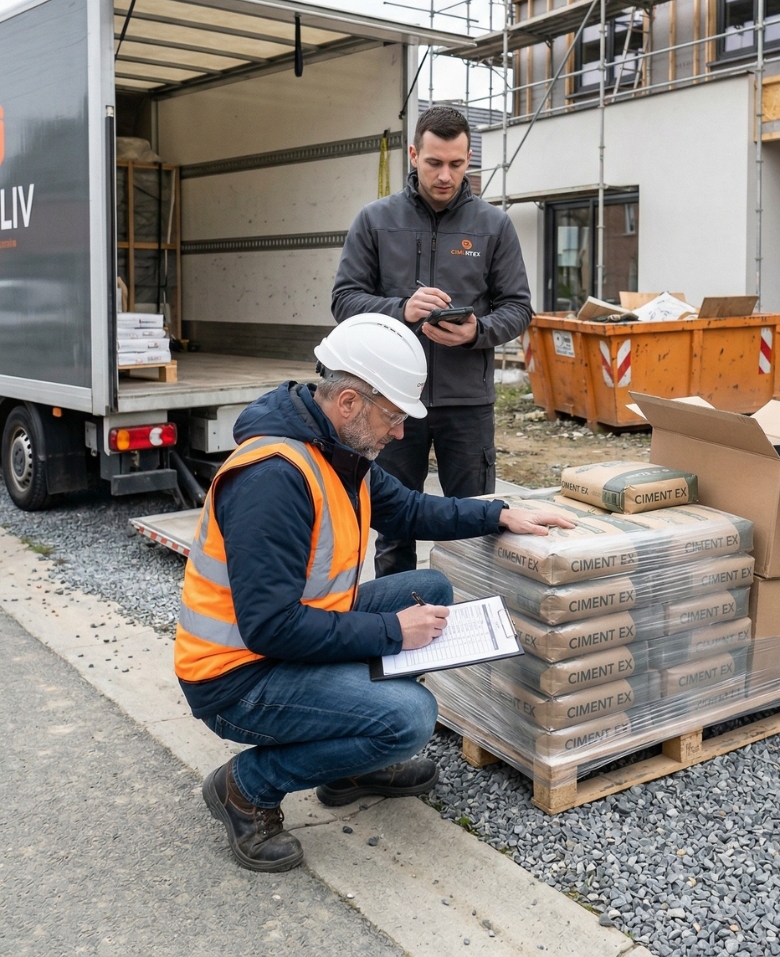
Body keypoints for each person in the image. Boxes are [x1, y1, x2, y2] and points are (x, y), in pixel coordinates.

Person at [174, 313, 574, 873]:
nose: (400, 432)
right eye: (393, 416)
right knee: (409, 717)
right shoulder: (274, 478)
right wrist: (393, 632)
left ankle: (346, 767)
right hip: (236, 678)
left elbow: (411, 508)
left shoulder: (340, 454)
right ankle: (246, 787)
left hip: (290, 637)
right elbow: (270, 627)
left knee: (428, 588)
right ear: (348, 404)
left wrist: (501, 513)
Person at [331, 103, 533, 577]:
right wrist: (400, 308)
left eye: (457, 165)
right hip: (391, 402)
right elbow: (344, 300)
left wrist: (475, 332)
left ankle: (474, 622)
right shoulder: (375, 220)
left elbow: (519, 307)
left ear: (468, 161)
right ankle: (397, 625)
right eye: (434, 163)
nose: (446, 176)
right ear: (413, 154)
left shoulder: (494, 226)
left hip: (467, 404)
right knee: (394, 524)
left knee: (478, 516)